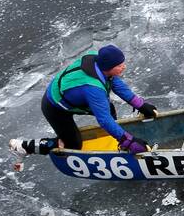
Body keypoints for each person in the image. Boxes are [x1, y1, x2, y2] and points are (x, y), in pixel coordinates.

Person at [9, 44, 157, 157]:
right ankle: (25, 147)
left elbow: (115, 83)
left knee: (109, 109)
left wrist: (141, 105)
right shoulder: (93, 89)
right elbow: (104, 120)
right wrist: (130, 141)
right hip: (55, 107)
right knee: (72, 145)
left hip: (74, 96)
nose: (124, 66)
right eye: (119, 65)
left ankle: (116, 139)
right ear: (108, 67)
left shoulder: (97, 58)